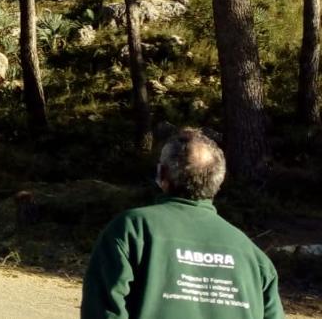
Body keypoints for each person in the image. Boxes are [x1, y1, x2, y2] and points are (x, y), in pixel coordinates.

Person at [81, 128, 284, 319]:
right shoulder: (255, 259)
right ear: (219, 181)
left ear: (162, 175)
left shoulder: (132, 229)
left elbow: (103, 311)